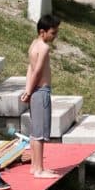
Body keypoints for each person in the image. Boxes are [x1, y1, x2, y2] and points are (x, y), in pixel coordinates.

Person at [19, 14, 60, 178]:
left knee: (35, 131)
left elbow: (30, 68)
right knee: (40, 133)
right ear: (43, 32)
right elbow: (37, 71)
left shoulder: (34, 44)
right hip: (41, 91)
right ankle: (39, 169)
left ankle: (35, 167)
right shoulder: (43, 47)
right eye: (53, 33)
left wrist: (28, 89)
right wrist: (29, 91)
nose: (55, 36)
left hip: (35, 90)